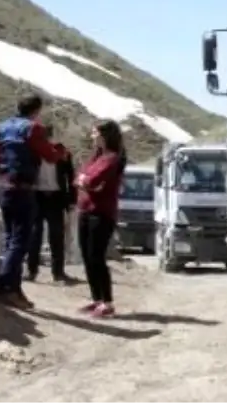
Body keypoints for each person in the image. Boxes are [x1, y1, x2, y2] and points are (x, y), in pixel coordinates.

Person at [0, 93, 68, 309]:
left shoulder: (3, 127)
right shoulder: (33, 129)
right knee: (20, 240)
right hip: (22, 189)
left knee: (9, 238)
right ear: (36, 111)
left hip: (3, 187)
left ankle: (15, 289)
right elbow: (50, 156)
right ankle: (4, 286)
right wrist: (60, 151)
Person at [76, 119, 127, 318]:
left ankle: (107, 302)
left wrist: (86, 182)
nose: (92, 136)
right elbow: (80, 177)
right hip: (85, 209)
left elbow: (91, 180)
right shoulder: (97, 157)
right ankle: (96, 299)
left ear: (104, 136)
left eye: (95, 133)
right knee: (87, 257)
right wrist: (85, 182)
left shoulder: (112, 158)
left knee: (97, 257)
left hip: (102, 212)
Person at [26, 124, 76, 284]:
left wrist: (72, 200)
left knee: (56, 236)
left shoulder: (62, 153)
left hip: (56, 198)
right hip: (37, 196)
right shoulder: (32, 153)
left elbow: (71, 177)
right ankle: (31, 270)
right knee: (34, 235)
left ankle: (58, 273)